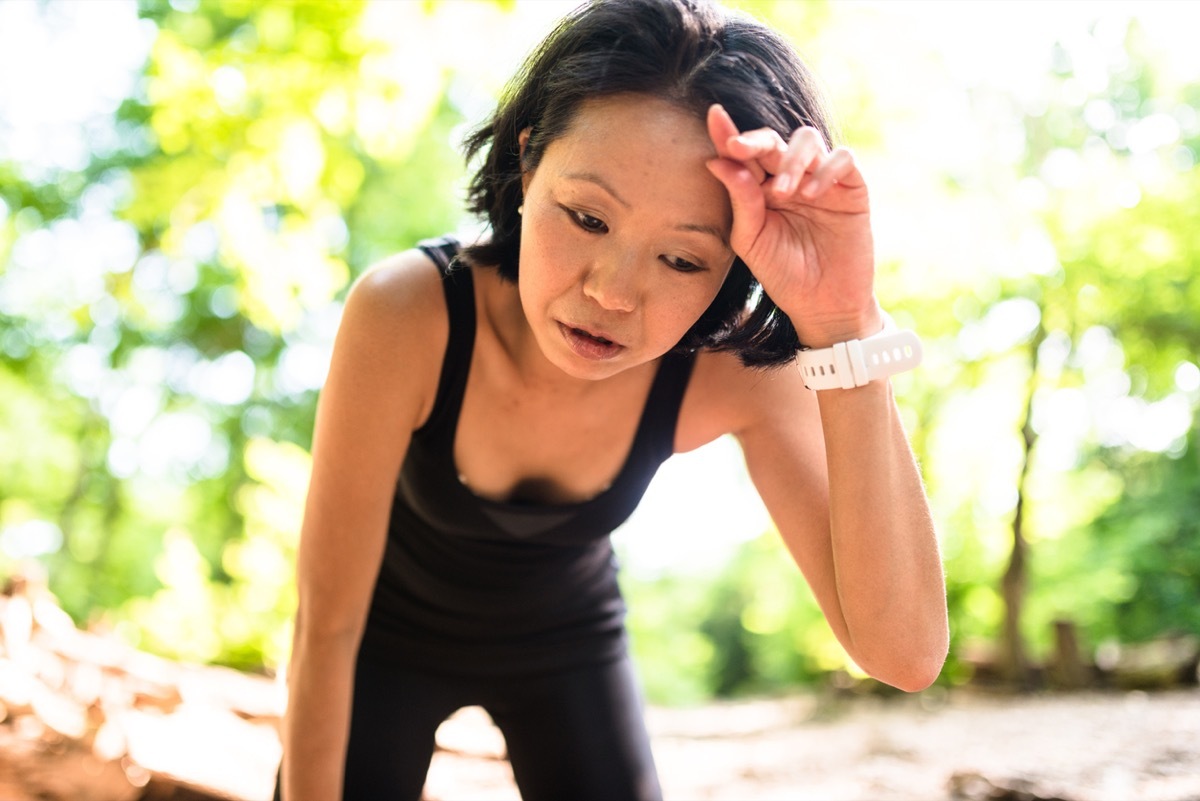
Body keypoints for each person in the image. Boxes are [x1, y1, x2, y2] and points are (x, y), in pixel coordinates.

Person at [277, 0, 948, 798]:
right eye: (587, 217)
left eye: (682, 259)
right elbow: (326, 627)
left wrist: (844, 322)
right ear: (528, 169)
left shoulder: (726, 370)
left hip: (569, 641)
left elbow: (904, 654)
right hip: (377, 639)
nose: (613, 293)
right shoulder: (408, 314)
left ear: (736, 260)